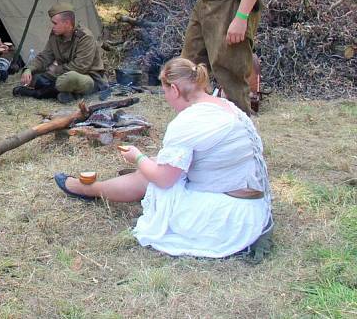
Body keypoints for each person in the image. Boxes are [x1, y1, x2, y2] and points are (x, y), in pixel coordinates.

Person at [54, 57, 273, 258]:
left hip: (227, 221)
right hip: (253, 210)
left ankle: (88, 189)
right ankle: (94, 188)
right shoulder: (226, 105)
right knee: (156, 164)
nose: (166, 98)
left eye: (165, 92)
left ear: (175, 89)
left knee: (153, 178)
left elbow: (164, 179)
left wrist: (138, 158)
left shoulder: (188, 121)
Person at [13, 2, 106, 103]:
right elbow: (45, 56)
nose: (52, 27)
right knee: (34, 78)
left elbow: (80, 67)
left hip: (87, 78)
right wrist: (28, 69)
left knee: (68, 79)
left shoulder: (85, 37)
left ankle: (37, 94)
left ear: (67, 23)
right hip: (62, 74)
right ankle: (68, 94)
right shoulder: (55, 35)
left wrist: (55, 70)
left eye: (55, 23)